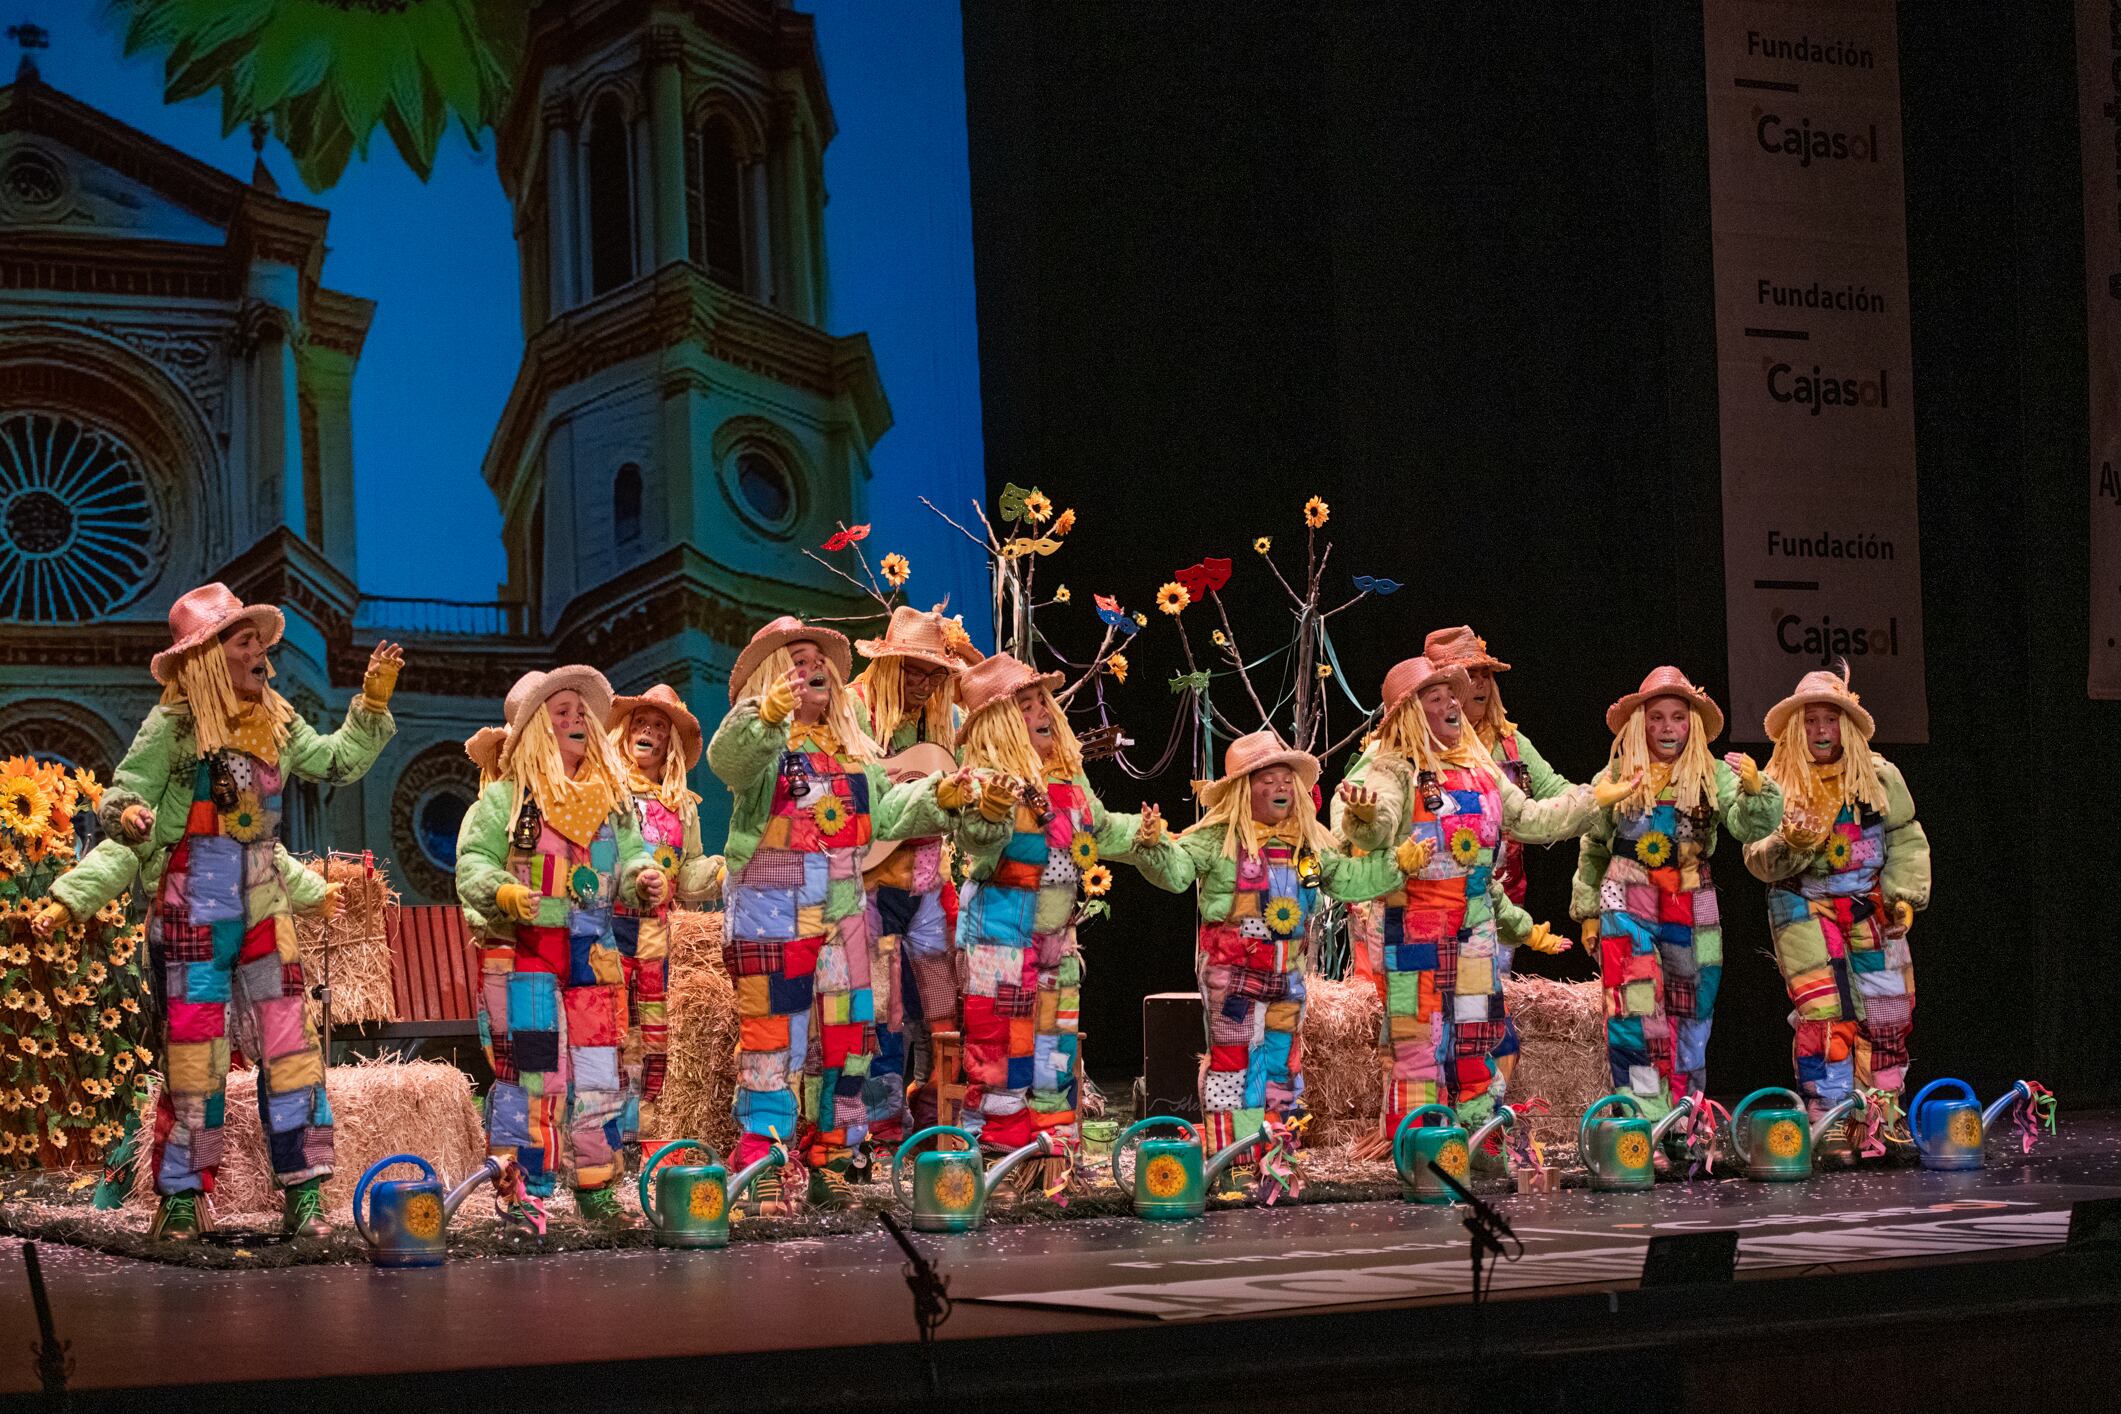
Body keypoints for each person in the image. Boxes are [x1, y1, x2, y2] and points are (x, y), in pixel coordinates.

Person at [35, 583, 401, 1241]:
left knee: (291, 1053)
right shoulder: (174, 728)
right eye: (243, 640)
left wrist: (370, 703)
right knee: (195, 1060)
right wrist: (86, 875)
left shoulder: (277, 723)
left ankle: (306, 1196)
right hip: (193, 910)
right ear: (207, 657)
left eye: (259, 640)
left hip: (262, 907)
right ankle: (181, 1199)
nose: (260, 652)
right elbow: (124, 801)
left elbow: (335, 762)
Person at [708, 617, 998, 1209]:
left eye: (818, 660)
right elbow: (728, 761)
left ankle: (836, 1156)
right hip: (771, 911)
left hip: (843, 913)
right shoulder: (763, 741)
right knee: (771, 1042)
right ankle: (763, 1158)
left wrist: (938, 795)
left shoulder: (853, 749)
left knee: (851, 1037)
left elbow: (887, 816)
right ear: (769, 678)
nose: (810, 667)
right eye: (794, 660)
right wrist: (768, 715)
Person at [1333, 656, 1622, 1131]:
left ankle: (1477, 1136)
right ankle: (1421, 1146)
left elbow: (1530, 818)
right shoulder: (1393, 769)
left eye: (1452, 695)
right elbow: (1378, 824)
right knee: (1417, 1045)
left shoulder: (1481, 770)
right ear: (1410, 713)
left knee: (1473, 1040)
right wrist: (1364, 819)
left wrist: (1594, 798)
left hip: (1474, 932)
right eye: (1436, 698)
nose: (1452, 704)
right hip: (1413, 934)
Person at [949, 652, 1189, 1154]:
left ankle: (1051, 1144)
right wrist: (991, 810)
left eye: (1041, 703)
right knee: (1001, 1045)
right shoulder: (989, 785)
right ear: (999, 726)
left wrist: (1143, 832)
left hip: (1056, 939)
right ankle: (998, 1145)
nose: (1040, 713)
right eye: (1025, 707)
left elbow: (1100, 829)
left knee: (1054, 1045)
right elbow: (975, 837)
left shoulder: (1068, 782)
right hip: (1000, 937)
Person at [455, 666, 668, 1228]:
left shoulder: (611, 800)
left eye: (581, 712)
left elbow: (632, 858)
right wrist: (501, 889)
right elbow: (472, 863)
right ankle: (526, 1190)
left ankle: (597, 1185)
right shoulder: (505, 798)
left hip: (591, 955)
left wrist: (644, 878)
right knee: (534, 1077)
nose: (576, 720)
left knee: (600, 1076)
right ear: (535, 730)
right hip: (525, 952)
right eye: (562, 711)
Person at [1174, 730, 1432, 1151]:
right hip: (1234, 978)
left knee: (1282, 1065)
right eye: (1266, 780)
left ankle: (1277, 1152)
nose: (1280, 787)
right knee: (1236, 1065)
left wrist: (1396, 862)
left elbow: (1350, 879)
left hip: (1287, 980)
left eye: (1285, 779)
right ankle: (1234, 1155)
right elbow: (1176, 869)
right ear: (1243, 790)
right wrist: (1152, 847)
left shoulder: (1308, 844)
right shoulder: (1217, 839)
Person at [1571, 667, 1784, 1128]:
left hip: (1692, 898)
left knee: (1694, 1011)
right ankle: (1645, 1119)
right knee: (1635, 1010)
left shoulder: (1710, 775)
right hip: (1627, 896)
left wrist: (1756, 790)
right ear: (1639, 724)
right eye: (1657, 718)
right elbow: (1592, 844)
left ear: (1693, 725)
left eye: (1678, 718)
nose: (1668, 728)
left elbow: (1750, 827)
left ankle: (1684, 1120)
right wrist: (1588, 911)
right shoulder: (1617, 774)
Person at [1743, 665, 1929, 1137]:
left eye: (1829, 719)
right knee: (1825, 1013)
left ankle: (1879, 1117)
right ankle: (1829, 1116)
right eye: (1809, 721)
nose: (1821, 730)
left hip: (1869, 905)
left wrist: (1903, 897)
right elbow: (1757, 855)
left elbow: (1905, 839)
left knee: (1889, 1011)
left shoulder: (1879, 777)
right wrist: (1794, 845)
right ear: (1794, 729)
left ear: (1845, 724)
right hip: (1802, 904)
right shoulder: (1777, 783)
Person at [849, 605, 975, 1143]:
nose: (924, 685)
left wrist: (965, 657)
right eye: (912, 671)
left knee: (940, 1007)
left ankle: (935, 1119)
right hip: (870, 882)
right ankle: (879, 1124)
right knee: (879, 1011)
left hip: (926, 885)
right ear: (886, 668)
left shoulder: (940, 722)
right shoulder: (852, 709)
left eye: (933, 674)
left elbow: (996, 700)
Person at [606, 684, 724, 1152]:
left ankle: (649, 1127)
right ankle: (608, 1131)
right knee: (614, 1025)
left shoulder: (682, 805)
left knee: (657, 1028)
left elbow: (689, 870)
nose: (648, 732)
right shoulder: (606, 792)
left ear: (669, 744)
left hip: (657, 928)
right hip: (609, 922)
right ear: (626, 732)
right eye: (641, 723)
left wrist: (719, 871)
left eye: (658, 727)